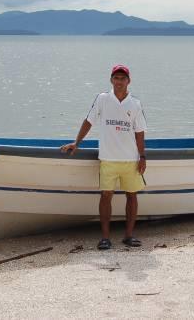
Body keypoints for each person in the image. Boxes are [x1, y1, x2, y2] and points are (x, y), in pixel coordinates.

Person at [60, 64, 147, 250]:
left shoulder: (135, 104)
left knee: (132, 196)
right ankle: (105, 238)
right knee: (106, 196)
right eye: (116, 78)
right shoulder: (102, 99)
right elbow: (88, 121)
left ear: (128, 81)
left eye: (123, 78)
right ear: (111, 80)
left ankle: (129, 235)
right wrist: (77, 142)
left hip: (130, 160)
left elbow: (140, 133)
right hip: (108, 158)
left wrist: (142, 156)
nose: (119, 81)